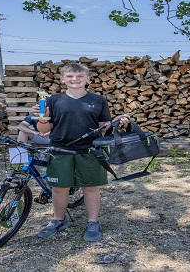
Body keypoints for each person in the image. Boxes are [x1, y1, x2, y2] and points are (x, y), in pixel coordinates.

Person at [34, 62, 129, 242]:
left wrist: (116, 121)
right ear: (62, 79)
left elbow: (104, 128)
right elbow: (44, 130)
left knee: (90, 187)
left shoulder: (98, 100)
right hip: (60, 150)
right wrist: (43, 118)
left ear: (88, 79)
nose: (74, 79)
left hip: (90, 150)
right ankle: (58, 220)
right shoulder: (53, 100)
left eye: (79, 76)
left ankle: (93, 222)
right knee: (59, 188)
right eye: (69, 76)